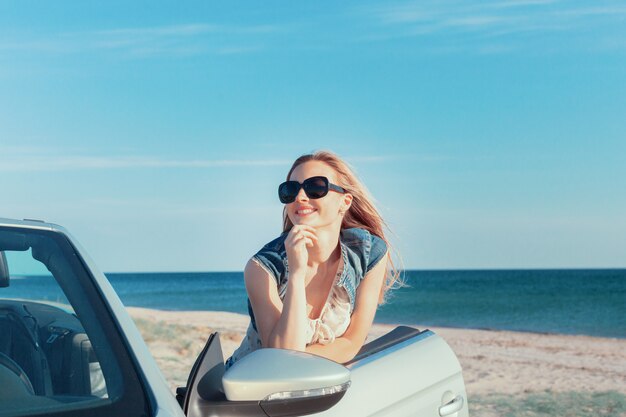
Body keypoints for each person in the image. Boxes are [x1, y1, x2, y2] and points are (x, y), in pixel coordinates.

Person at [225, 150, 400, 368]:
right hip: (247, 387)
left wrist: (302, 361)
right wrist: (297, 275)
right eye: (290, 190)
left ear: (344, 202)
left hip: (314, 383)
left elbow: (352, 342)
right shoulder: (262, 268)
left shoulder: (368, 253)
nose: (300, 197)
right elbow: (281, 360)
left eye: (316, 187)